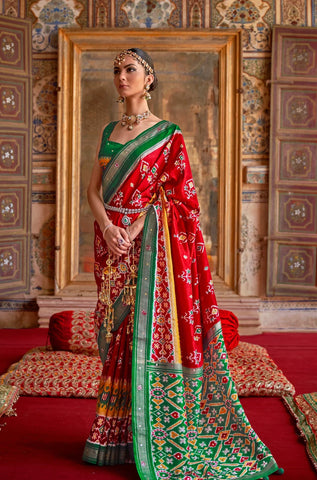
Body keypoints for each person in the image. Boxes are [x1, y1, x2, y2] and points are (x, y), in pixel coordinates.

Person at [83, 48, 281, 480]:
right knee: (116, 335)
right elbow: (93, 191)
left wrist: (132, 232)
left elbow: (178, 200)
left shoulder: (168, 135)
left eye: (130, 69)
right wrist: (107, 228)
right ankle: (116, 438)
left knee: (143, 335)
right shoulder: (108, 131)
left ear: (149, 78)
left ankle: (158, 434)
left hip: (149, 247)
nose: (121, 77)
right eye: (117, 70)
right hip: (111, 245)